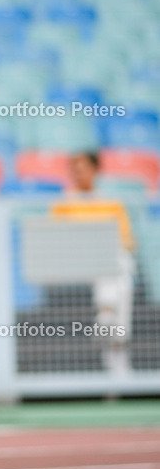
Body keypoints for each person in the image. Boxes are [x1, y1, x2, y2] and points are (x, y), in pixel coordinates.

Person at [52, 151, 135, 373]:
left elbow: (127, 242)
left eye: (83, 169)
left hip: (107, 263)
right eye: (75, 170)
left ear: (95, 170)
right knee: (120, 274)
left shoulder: (111, 203)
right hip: (76, 263)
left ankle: (107, 318)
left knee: (122, 275)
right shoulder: (64, 202)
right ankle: (116, 341)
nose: (78, 174)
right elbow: (56, 240)